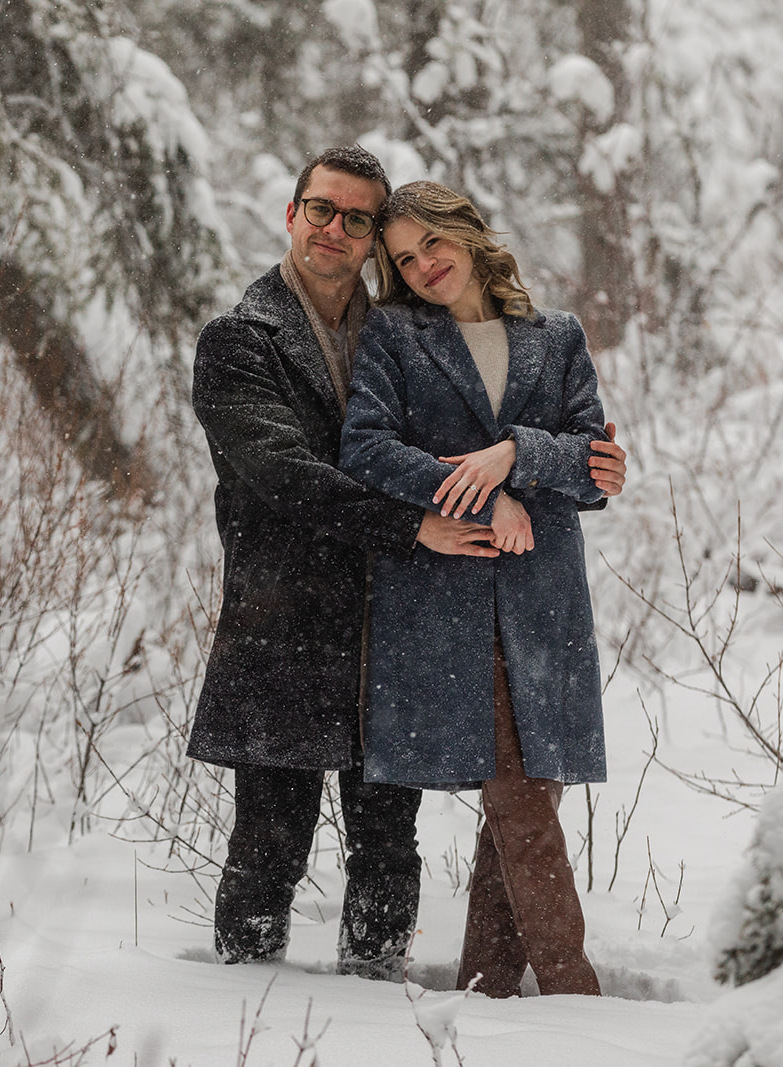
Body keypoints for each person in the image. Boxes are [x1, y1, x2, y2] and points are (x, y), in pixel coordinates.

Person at [189, 149, 626, 981]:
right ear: (292, 213)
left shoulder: (397, 329)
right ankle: (238, 1003)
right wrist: (418, 522)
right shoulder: (241, 340)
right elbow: (286, 477)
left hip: (391, 621)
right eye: (323, 210)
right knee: (269, 839)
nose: (337, 230)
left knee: (389, 839)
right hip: (284, 622)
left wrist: (566, 463)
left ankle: (382, 992)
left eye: (359, 220)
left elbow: (555, 443)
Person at [339, 180, 612, 997]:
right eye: (404, 258)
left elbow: (593, 467)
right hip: (446, 605)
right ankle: (575, 994)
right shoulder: (392, 335)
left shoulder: (556, 336)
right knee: (522, 805)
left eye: (433, 243)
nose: (423, 265)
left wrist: (514, 455)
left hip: (546, 604)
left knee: (523, 806)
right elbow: (367, 449)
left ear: (468, 233)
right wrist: (482, 491)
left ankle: (485, 990)